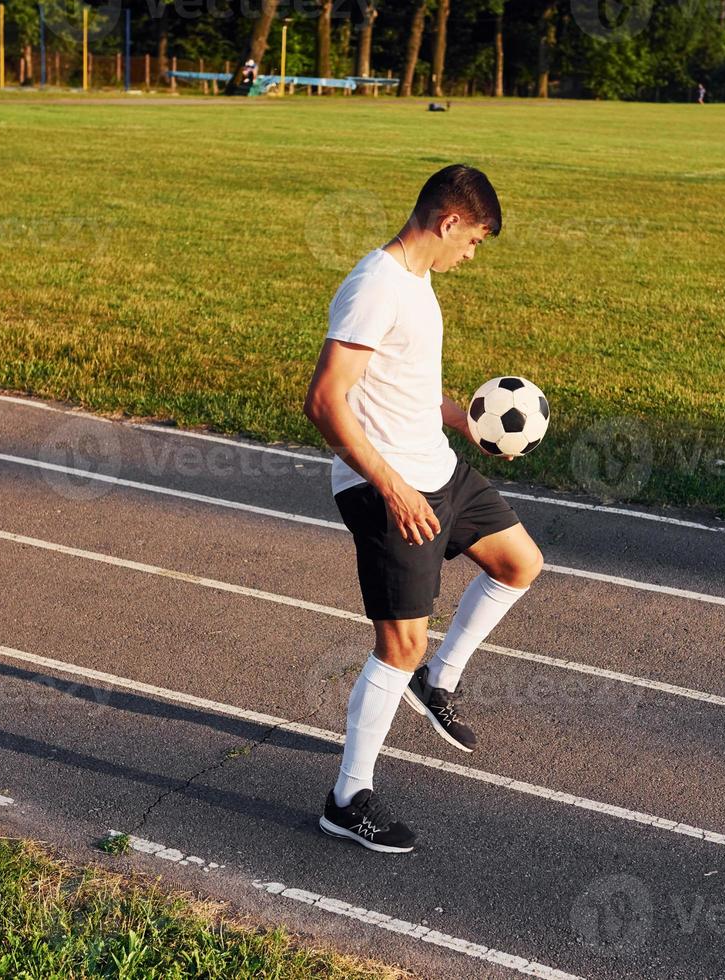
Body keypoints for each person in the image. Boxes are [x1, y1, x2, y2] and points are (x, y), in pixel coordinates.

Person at [302, 165, 544, 854]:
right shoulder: (374, 288)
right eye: (473, 242)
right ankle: (347, 798)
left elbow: (404, 385)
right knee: (398, 645)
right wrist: (393, 488)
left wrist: (462, 419)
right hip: (384, 488)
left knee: (519, 563)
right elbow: (325, 402)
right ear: (448, 224)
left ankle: (440, 680)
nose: (472, 256)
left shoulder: (418, 280)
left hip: (437, 467)